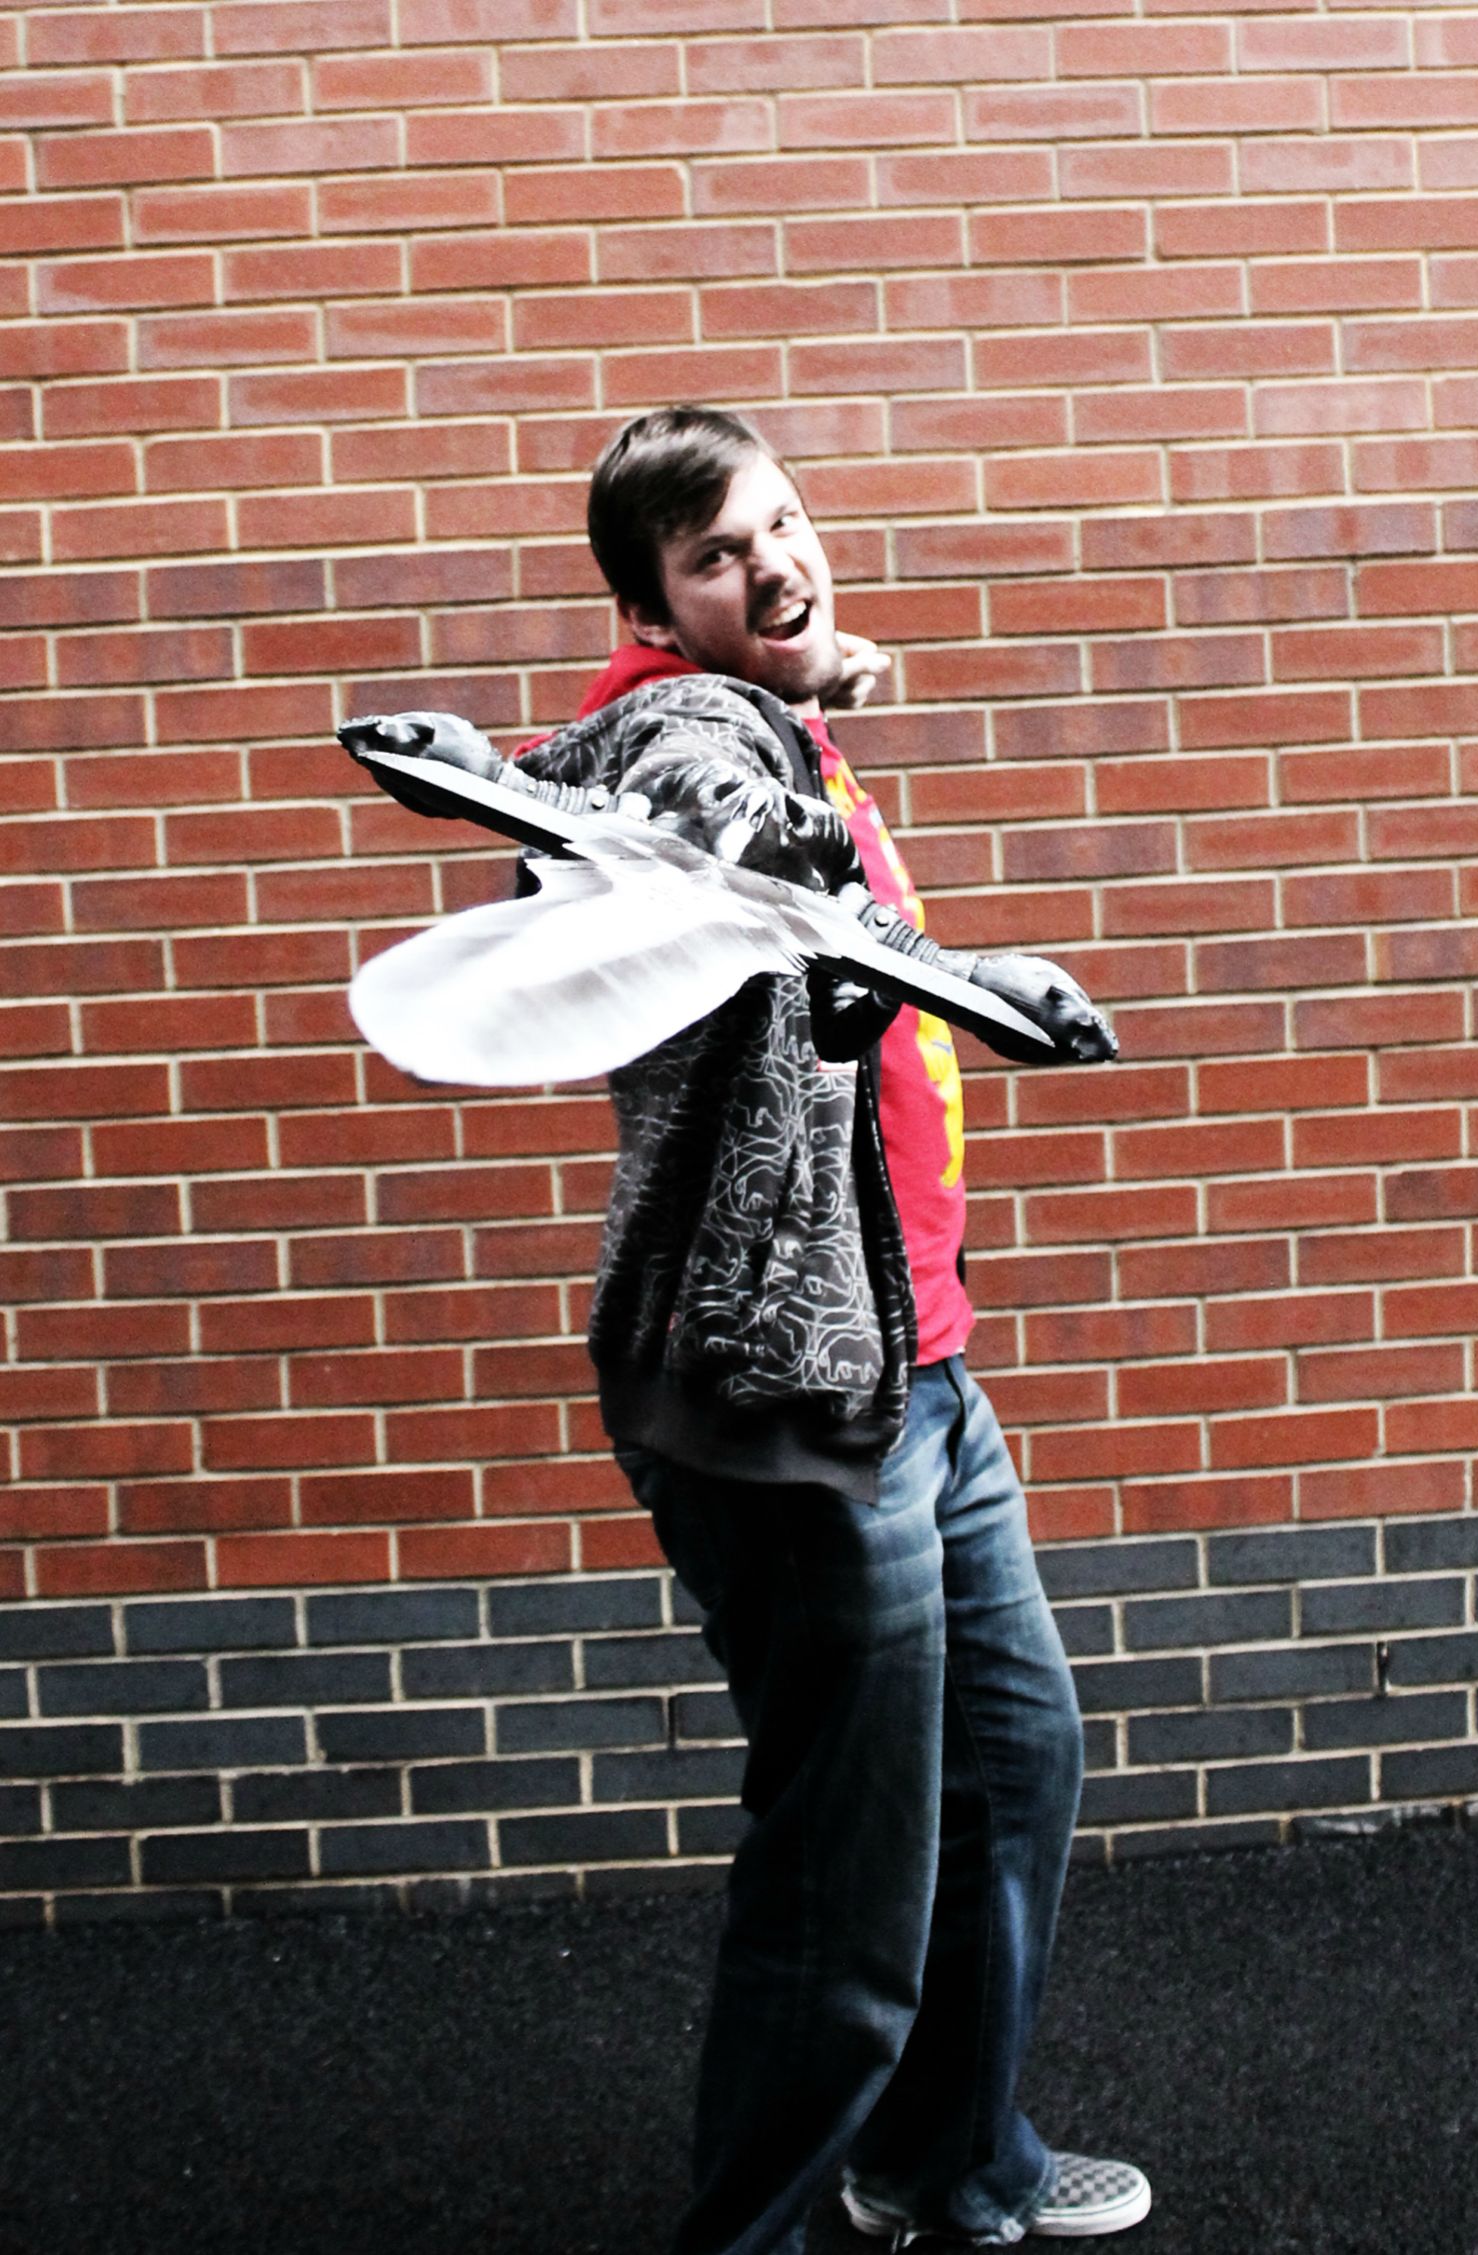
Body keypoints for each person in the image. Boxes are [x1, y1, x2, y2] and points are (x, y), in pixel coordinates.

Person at [384, 407, 1150, 2252]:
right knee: (847, 1880)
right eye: (717, 555)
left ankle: (948, 2161)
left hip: (920, 1369)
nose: (773, 564)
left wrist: (819, 676)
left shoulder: (765, 698)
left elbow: (761, 739)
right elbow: (694, 810)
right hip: (791, 1396)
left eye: (784, 524)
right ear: (652, 608)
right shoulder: (694, 735)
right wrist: (916, 928)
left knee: (1012, 1767)